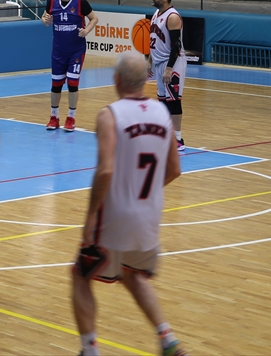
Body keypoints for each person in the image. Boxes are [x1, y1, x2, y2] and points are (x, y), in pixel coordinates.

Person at [71, 50, 186, 356]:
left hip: (115, 217)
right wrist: (141, 192)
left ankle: (90, 349)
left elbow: (106, 170)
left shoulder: (110, 114)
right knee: (134, 275)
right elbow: (175, 169)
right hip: (149, 215)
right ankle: (168, 340)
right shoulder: (163, 113)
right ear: (146, 79)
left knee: (80, 275)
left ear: (117, 80)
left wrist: (91, 216)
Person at [42, 0, 98, 131]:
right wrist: (45, 20)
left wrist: (86, 30)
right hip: (58, 51)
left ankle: (71, 118)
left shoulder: (80, 2)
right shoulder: (52, 1)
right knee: (56, 85)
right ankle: (54, 117)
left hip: (76, 51)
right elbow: (45, 17)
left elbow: (94, 18)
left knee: (73, 84)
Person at [148, 0, 186, 152]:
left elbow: (176, 45)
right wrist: (150, 61)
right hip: (158, 61)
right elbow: (153, 40)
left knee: (174, 100)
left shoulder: (172, 17)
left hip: (173, 62)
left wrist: (169, 68)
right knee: (162, 100)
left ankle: (178, 139)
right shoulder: (156, 13)